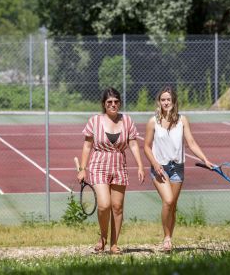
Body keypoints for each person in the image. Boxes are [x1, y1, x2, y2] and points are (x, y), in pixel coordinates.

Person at [144, 86, 214, 252]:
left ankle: (169, 238)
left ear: (174, 101)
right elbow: (146, 147)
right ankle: (166, 237)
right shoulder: (153, 121)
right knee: (167, 200)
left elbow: (191, 143)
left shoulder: (182, 120)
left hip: (177, 168)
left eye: (169, 99)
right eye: (163, 99)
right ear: (159, 102)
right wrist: (155, 164)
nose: (166, 102)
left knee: (172, 205)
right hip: (160, 168)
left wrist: (205, 159)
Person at [77, 87, 145, 254]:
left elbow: (134, 144)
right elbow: (87, 146)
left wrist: (140, 165)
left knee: (117, 207)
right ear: (104, 104)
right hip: (99, 165)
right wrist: (82, 169)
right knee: (104, 205)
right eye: (109, 102)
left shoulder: (127, 121)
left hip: (119, 165)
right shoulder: (95, 121)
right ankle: (103, 237)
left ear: (119, 103)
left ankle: (114, 244)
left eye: (116, 102)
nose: (113, 104)